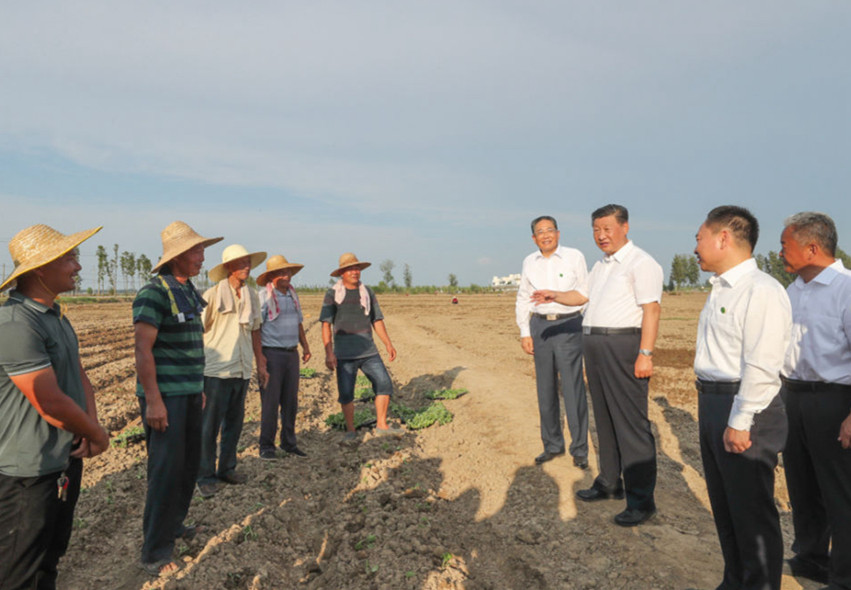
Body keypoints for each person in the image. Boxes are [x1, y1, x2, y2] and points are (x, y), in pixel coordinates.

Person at [0, 224, 110, 590]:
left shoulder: (56, 317)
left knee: (50, 557)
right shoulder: (15, 322)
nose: (78, 266)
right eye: (69, 257)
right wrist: (96, 434)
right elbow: (48, 401)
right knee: (20, 570)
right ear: (40, 268)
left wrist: (90, 427)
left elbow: (80, 378)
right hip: (27, 471)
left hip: (62, 458)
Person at [693, 206, 791, 590]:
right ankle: (735, 580)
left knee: (751, 511)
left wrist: (740, 419)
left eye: (699, 238)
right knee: (727, 507)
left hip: (744, 408)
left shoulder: (761, 291)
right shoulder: (721, 288)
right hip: (714, 402)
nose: (695, 247)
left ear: (723, 239)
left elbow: (763, 364)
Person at [133, 220, 222, 576]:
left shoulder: (188, 290)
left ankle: (175, 526)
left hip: (188, 394)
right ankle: (154, 551)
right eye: (197, 251)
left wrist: (197, 386)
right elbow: (142, 348)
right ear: (178, 256)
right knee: (166, 471)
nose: (202, 257)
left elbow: (192, 346)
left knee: (187, 466)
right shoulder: (153, 293)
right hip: (165, 398)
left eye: (201, 250)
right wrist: (153, 400)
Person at [566, 204, 662, 527]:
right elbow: (582, 298)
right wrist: (552, 294)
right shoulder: (601, 266)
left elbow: (651, 310)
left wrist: (645, 353)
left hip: (623, 345)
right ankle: (609, 482)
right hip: (594, 345)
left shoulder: (642, 263)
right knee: (604, 418)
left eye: (607, 228)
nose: (601, 235)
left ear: (625, 227)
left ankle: (641, 501)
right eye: (596, 229)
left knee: (630, 424)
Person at [779, 212, 851, 589]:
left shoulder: (846, 288)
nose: (779, 254)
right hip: (794, 396)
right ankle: (810, 559)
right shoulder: (793, 290)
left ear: (811, 247)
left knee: (840, 492)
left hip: (835, 401)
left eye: (784, 245)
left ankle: (844, 576)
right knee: (802, 484)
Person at [516, 215, 589, 467]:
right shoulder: (529, 262)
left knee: (572, 388)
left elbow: (585, 293)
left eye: (550, 230)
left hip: (568, 324)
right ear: (534, 238)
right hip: (540, 326)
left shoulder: (574, 257)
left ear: (558, 234)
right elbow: (524, 297)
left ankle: (579, 449)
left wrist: (587, 327)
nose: (545, 235)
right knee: (545, 389)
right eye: (540, 232)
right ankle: (552, 444)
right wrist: (525, 331)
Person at [197, 244, 267, 496]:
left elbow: (256, 329)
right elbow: (199, 330)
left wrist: (261, 362)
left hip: (242, 368)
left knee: (234, 425)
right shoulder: (212, 296)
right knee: (209, 427)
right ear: (228, 268)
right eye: (241, 263)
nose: (246, 267)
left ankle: (226, 468)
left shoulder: (253, 295)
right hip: (216, 370)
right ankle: (204, 476)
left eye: (248, 262)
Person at [320, 253, 400, 440]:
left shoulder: (367, 293)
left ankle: (382, 424)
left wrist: (388, 343)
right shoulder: (333, 294)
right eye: (350, 269)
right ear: (342, 273)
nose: (355, 272)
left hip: (368, 352)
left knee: (384, 384)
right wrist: (328, 353)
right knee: (346, 393)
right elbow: (326, 324)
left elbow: (376, 320)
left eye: (357, 268)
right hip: (344, 354)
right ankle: (350, 430)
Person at [256, 255, 311, 459]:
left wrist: (305, 345)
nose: (286, 276)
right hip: (272, 354)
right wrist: (260, 358)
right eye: (281, 273)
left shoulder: (292, 296)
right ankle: (266, 445)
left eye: (288, 272)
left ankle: (289, 442)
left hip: (290, 355)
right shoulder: (264, 297)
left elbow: (298, 323)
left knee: (290, 401)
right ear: (272, 277)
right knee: (270, 401)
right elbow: (257, 328)